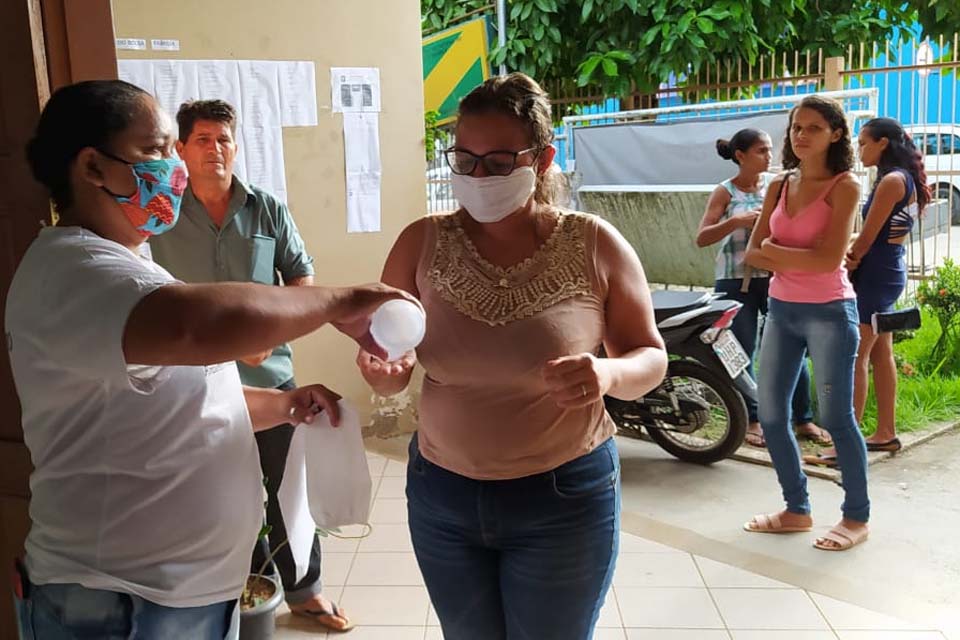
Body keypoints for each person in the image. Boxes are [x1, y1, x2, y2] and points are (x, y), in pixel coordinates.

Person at [7, 79, 411, 638]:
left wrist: (283, 404)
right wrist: (341, 301)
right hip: (114, 598)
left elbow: (178, 398)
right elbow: (196, 326)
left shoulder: (133, 263)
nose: (173, 166)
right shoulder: (74, 270)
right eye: (155, 150)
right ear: (94, 168)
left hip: (172, 593)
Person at [356, 73, 668, 640]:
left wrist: (606, 372)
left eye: (499, 162)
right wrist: (384, 374)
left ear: (542, 159)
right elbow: (389, 368)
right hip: (442, 496)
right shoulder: (419, 243)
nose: (477, 177)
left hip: (563, 499)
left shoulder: (594, 243)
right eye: (464, 160)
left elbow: (650, 356)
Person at [148, 99, 350, 632]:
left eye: (224, 140)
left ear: (236, 148)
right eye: (202, 140)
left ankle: (305, 591)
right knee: (217, 493)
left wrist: (274, 330)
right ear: (181, 150)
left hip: (271, 380)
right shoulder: (162, 214)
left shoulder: (266, 209)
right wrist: (231, 341)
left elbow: (303, 280)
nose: (215, 149)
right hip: (189, 387)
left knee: (286, 490)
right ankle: (247, 589)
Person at [742, 95, 870, 552]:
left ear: (836, 134)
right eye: (797, 127)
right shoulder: (778, 184)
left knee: (836, 416)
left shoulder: (845, 186)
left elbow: (829, 260)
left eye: (813, 127)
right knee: (772, 415)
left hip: (830, 312)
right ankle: (797, 508)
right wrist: (784, 256)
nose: (801, 135)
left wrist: (777, 253)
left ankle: (856, 516)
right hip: (782, 308)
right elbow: (752, 253)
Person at [697, 128, 830, 448]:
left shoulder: (780, 185)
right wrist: (736, 221)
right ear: (740, 156)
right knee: (742, 352)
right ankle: (753, 419)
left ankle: (804, 419)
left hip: (776, 278)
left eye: (770, 150)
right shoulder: (725, 191)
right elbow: (702, 237)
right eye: (761, 151)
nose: (769, 157)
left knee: (792, 347)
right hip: (734, 280)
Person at [809, 118, 930, 465]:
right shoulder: (900, 178)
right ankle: (885, 433)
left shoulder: (892, 181)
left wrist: (845, 261)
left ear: (882, 144)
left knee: (854, 356)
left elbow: (868, 237)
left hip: (875, 274)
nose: (859, 149)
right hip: (887, 271)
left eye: (864, 143)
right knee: (880, 354)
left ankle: (845, 445)